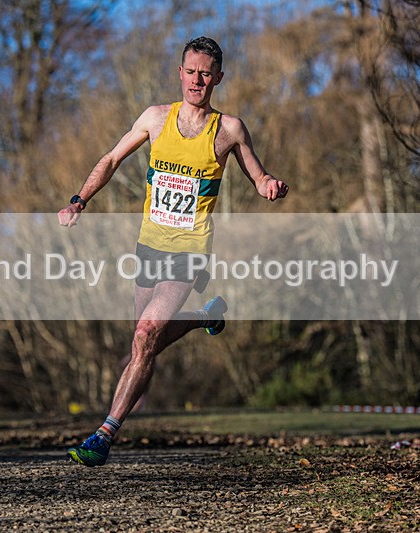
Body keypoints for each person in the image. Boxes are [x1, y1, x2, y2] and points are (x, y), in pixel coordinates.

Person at [58, 37, 289, 466]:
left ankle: (104, 434)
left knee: (145, 336)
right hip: (149, 246)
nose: (197, 80)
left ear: (218, 78)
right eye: (190, 71)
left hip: (190, 252)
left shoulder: (229, 129)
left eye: (206, 73)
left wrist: (269, 185)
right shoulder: (155, 118)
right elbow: (110, 160)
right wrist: (79, 199)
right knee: (144, 343)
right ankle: (206, 317)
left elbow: (257, 176)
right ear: (179, 73)